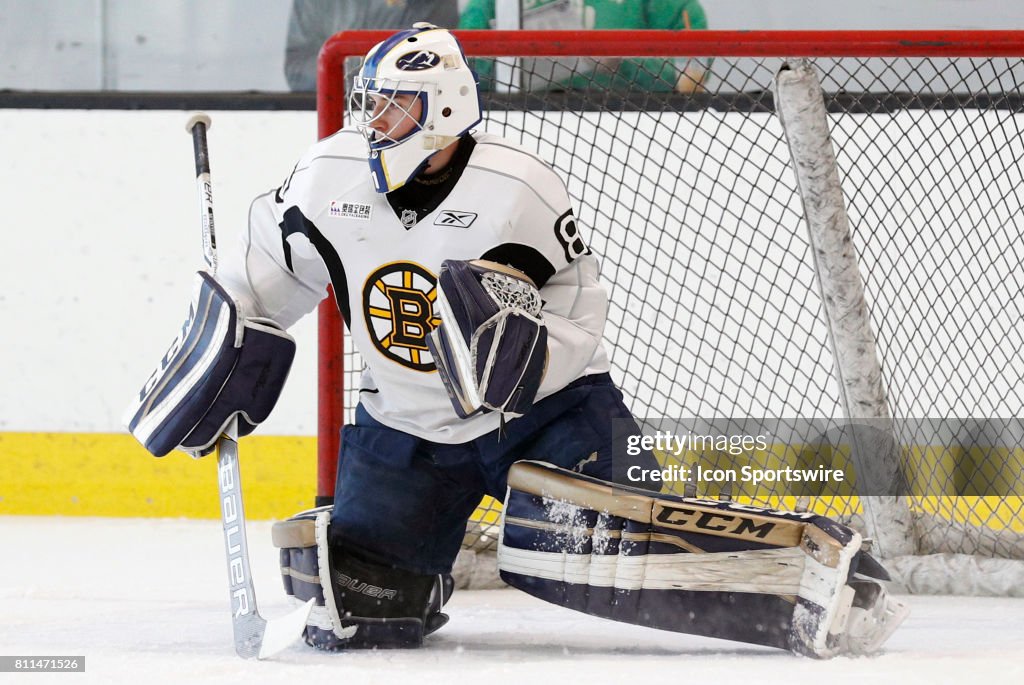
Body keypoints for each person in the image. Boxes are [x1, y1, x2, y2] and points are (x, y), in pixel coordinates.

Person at [128, 24, 906, 657]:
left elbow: (581, 308)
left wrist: (523, 356)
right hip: (403, 429)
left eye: (394, 106)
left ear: (441, 112)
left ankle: (817, 564)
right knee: (357, 593)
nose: (374, 121)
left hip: (544, 415)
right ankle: (419, 565)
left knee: (628, 553)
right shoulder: (326, 176)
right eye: (371, 103)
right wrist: (226, 343)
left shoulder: (520, 188)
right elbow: (264, 272)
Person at [459, 0, 712, 93]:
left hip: (632, 125)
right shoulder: (489, 4)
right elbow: (461, 70)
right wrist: (512, 66)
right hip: (520, 121)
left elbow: (691, 81)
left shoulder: (671, 5)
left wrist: (619, 62)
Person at [284, 0, 459, 91]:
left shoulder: (429, 3)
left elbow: (428, 68)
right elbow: (296, 71)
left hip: (407, 115)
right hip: (327, 112)